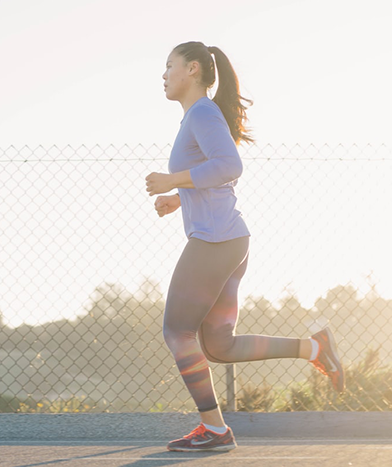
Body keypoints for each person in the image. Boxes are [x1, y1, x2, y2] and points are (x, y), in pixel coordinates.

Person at [144, 41, 345, 452]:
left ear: (193, 69)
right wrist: (179, 198)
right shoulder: (197, 117)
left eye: (170, 66)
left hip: (216, 241)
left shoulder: (201, 112)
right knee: (219, 345)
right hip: (230, 240)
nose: (163, 75)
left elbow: (230, 166)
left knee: (177, 331)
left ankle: (215, 431)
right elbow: (218, 176)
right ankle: (315, 348)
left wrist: (173, 180)